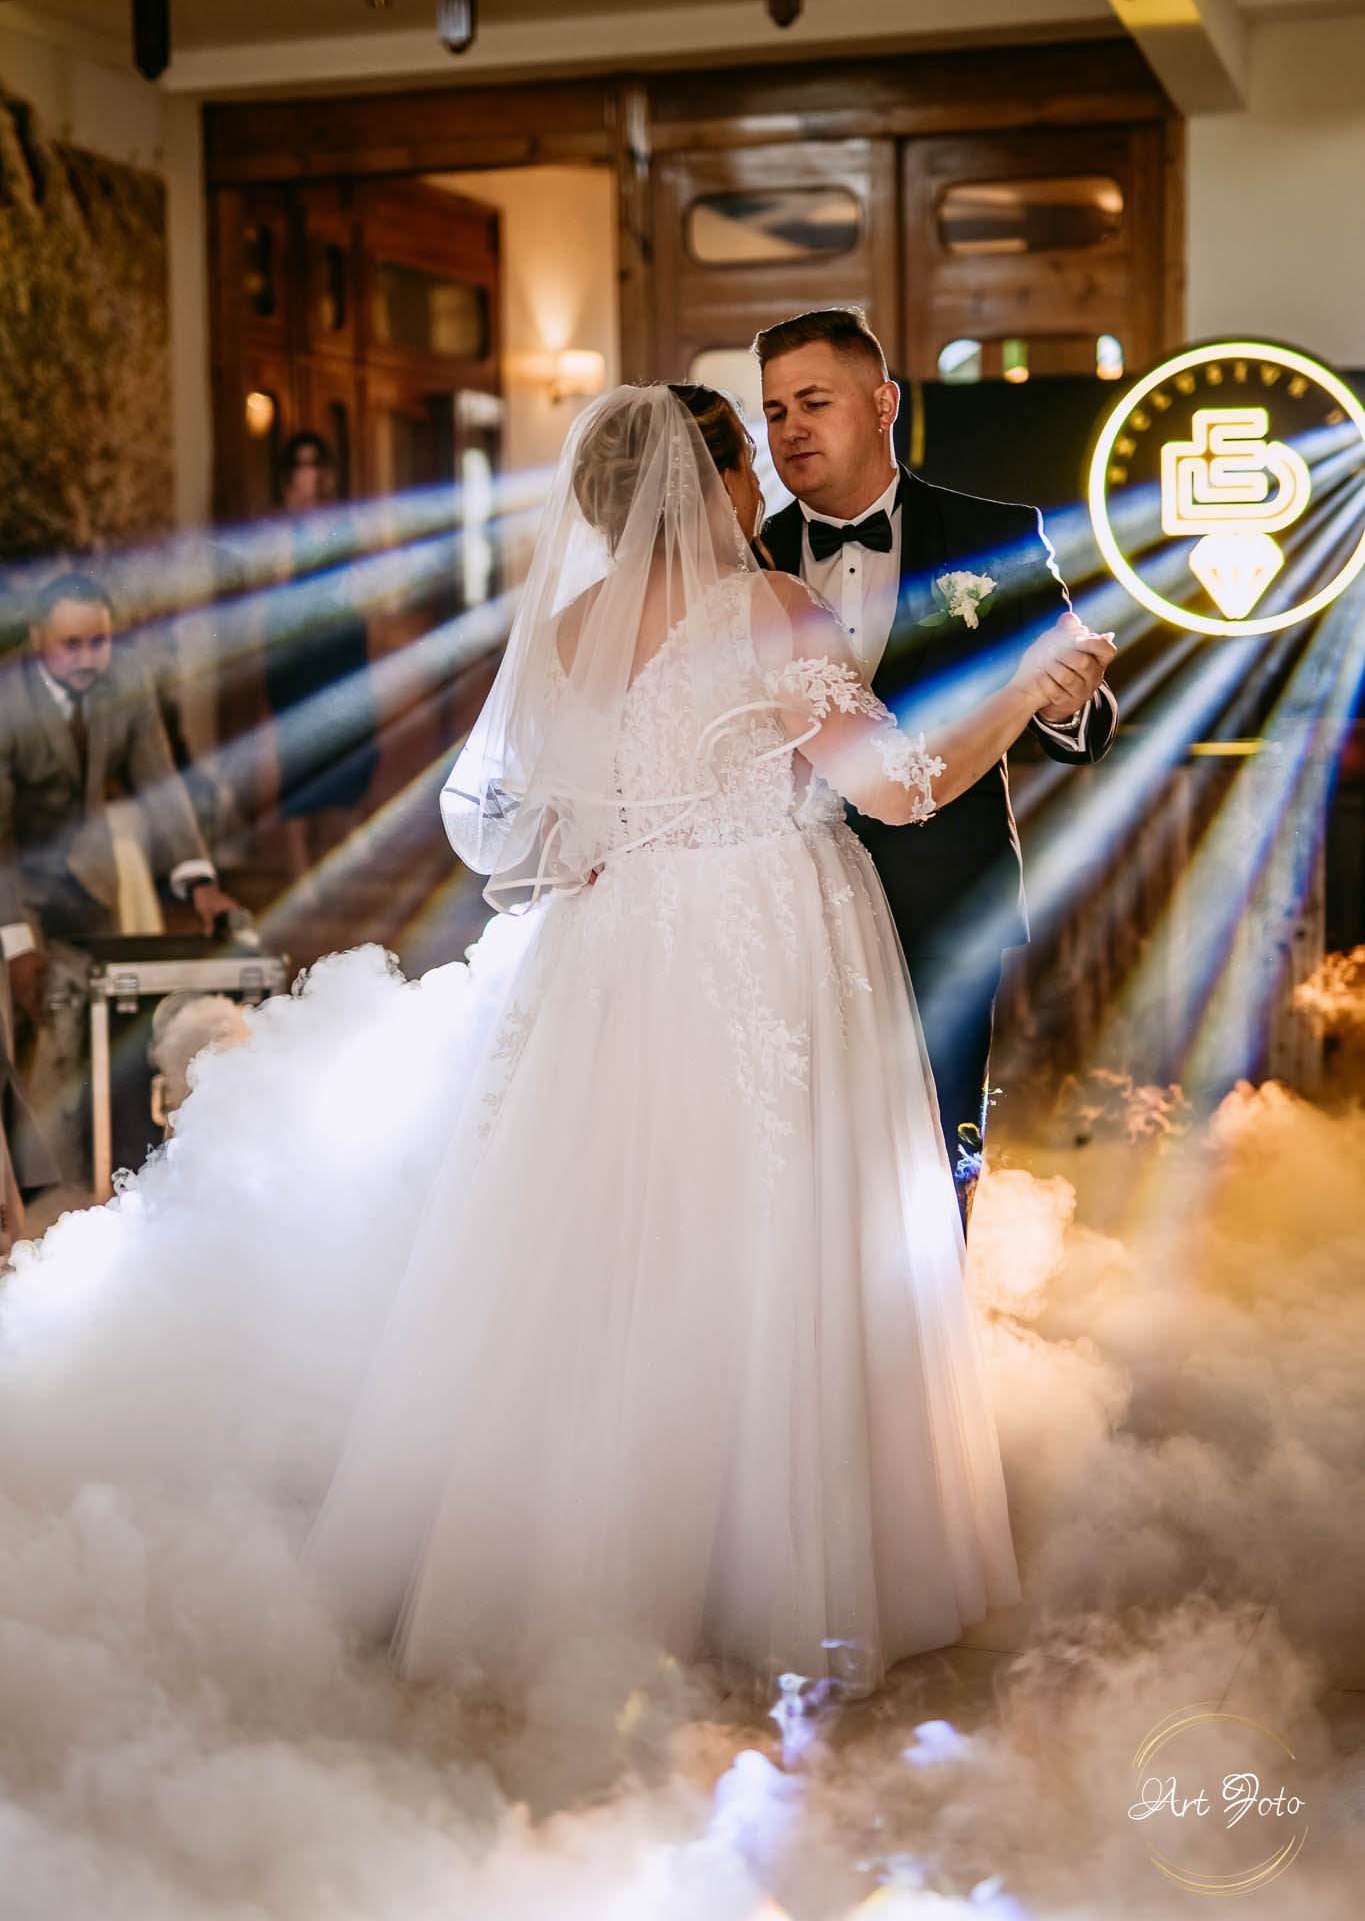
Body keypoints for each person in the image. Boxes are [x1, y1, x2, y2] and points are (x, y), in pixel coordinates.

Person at [297, 383, 1112, 1702]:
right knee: (774, 1236)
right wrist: (1023, 688)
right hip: (764, 938)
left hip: (612, 951)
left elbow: (523, 814)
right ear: (716, 478)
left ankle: (572, 1568)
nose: (762, 485)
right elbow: (900, 788)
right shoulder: (765, 608)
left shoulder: (565, 627)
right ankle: (761, 1573)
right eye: (747, 456)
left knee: (610, 1241)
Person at [756, 308, 1119, 1228]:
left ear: (882, 404)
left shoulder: (993, 533)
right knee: (800, 1151)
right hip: (783, 903)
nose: (790, 429)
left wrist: (1066, 702)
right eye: (773, 411)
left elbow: (1076, 709)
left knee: (942, 1143)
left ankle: (938, 1309)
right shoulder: (740, 555)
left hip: (946, 896)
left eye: (812, 402)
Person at [0, 572, 239, 1180]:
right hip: (8, 871)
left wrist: (198, 882)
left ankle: (99, 1162)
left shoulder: (127, 679)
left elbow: (160, 784)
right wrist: (18, 944)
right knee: (12, 1016)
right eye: (70, 644)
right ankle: (23, 1182)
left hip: (84, 870)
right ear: (37, 639)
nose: (87, 658)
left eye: (98, 642)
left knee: (101, 1012)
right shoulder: (5, 697)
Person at [263, 432, 379, 890]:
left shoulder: (343, 521)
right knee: (297, 754)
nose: (308, 474)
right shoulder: (281, 527)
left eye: (315, 464)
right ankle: (300, 870)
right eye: (299, 465)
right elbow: (276, 585)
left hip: (341, 647)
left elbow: (361, 579)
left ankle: (342, 853)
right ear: (289, 474)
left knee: (349, 746)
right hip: (295, 650)